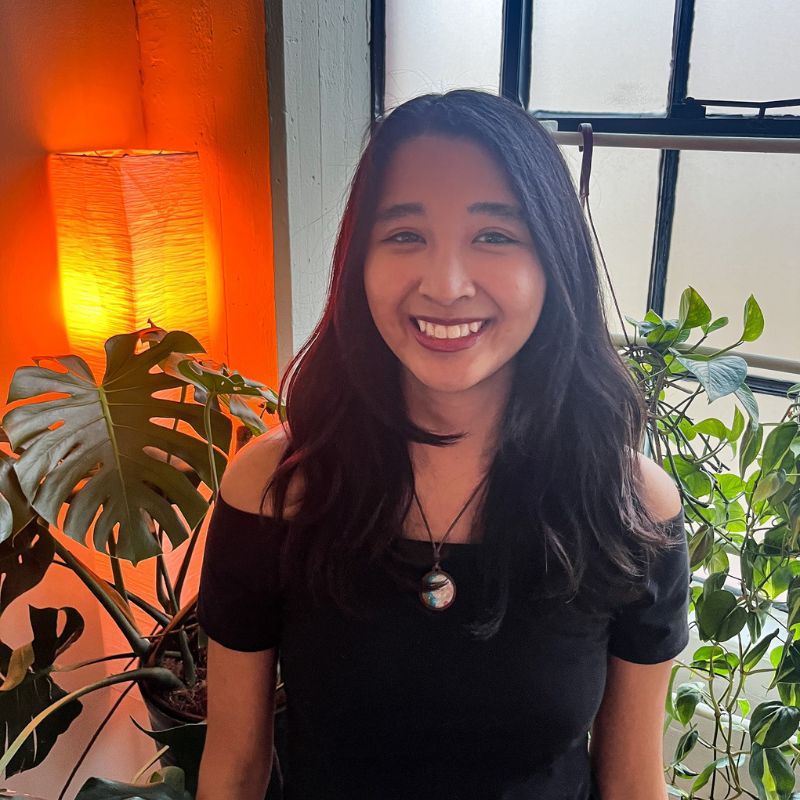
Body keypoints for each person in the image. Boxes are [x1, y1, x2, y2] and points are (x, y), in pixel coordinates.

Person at [195, 90, 689, 800]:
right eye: (404, 236)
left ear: (553, 262)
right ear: (356, 262)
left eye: (494, 236)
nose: (447, 285)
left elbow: (634, 782)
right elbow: (235, 769)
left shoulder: (628, 505)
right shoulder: (273, 491)